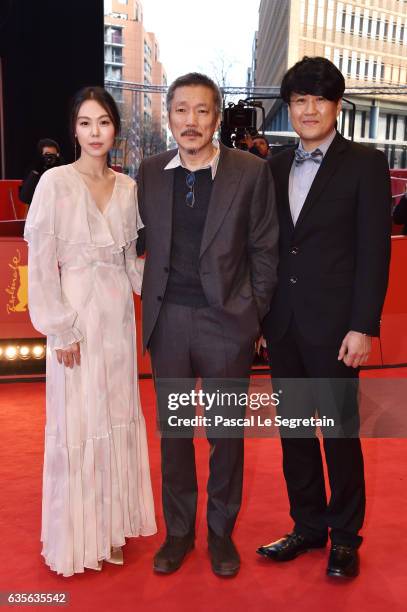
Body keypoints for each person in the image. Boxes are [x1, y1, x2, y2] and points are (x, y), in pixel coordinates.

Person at [137, 72, 278, 577]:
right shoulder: (150, 171)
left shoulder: (249, 171)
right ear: (168, 116)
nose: (191, 121)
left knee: (225, 435)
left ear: (216, 117)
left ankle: (220, 532)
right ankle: (178, 534)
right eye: (181, 110)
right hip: (168, 321)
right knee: (173, 435)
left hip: (226, 324)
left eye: (202, 110)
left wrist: (251, 313)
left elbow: (265, 247)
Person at [258, 57, 391, 578]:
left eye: (319, 100)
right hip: (283, 326)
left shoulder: (365, 164)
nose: (309, 110)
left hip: (339, 329)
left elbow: (373, 252)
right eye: (299, 101)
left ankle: (344, 536)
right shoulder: (272, 166)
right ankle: (308, 526)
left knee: (337, 433)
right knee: (294, 434)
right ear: (289, 108)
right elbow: (267, 249)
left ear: (336, 106)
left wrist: (364, 325)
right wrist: (261, 321)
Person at [24, 86, 156, 577]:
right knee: (79, 422)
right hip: (76, 314)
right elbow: (40, 267)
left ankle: (111, 528)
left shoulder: (126, 188)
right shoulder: (55, 184)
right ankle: (79, 535)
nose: (95, 132)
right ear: (73, 130)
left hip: (118, 317)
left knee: (117, 415)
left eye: (103, 122)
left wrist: (166, 291)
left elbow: (129, 264)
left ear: (114, 128)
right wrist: (60, 329)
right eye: (85, 122)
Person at [19, 139, 62, 205]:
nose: (50, 158)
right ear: (40, 156)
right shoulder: (34, 171)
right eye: (47, 155)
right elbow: (25, 198)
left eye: (53, 155)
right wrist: (36, 172)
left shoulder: (62, 172)